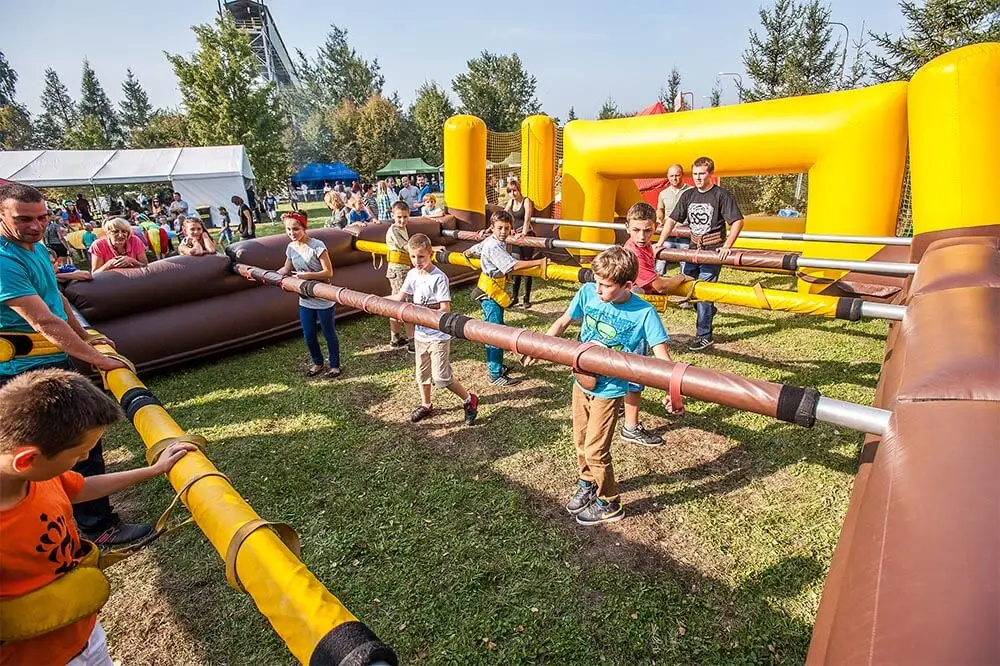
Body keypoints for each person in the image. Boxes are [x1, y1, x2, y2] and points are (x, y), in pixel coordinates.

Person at [0, 368, 194, 666]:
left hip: (84, 631)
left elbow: (79, 488)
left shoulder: (40, 477)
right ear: (27, 459)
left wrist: (155, 470)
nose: (82, 462)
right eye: (78, 455)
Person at [0, 182, 153, 547]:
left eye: (42, 217)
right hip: (22, 370)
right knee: (65, 446)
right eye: (24, 219)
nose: (36, 226)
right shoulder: (3, 260)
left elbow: (56, 300)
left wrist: (85, 338)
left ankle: (78, 520)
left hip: (51, 359)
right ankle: (97, 526)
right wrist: (99, 359)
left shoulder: (35, 247)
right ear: (2, 215)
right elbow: (42, 320)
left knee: (79, 444)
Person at [525, 246, 682, 525]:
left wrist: (673, 391)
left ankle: (609, 502)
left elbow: (662, 358)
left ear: (628, 285)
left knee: (596, 449)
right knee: (580, 442)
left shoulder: (644, 313)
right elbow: (563, 321)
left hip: (610, 391)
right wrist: (540, 347)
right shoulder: (588, 292)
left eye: (606, 285)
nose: (597, 290)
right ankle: (587, 483)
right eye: (596, 282)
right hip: (581, 380)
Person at [386, 233, 479, 425]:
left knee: (442, 377)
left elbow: (445, 309)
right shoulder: (412, 275)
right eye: (413, 257)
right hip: (421, 335)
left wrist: (420, 311)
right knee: (422, 373)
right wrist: (373, 300)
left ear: (430, 254)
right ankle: (426, 404)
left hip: (438, 335)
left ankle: (469, 399)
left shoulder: (439, 278)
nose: (417, 261)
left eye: (421, 256)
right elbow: (400, 297)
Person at [655, 156, 744, 351]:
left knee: (703, 290)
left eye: (702, 174)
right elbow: (671, 219)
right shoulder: (688, 196)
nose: (698, 178)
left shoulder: (721, 195)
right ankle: (709, 311)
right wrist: (659, 243)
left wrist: (727, 245)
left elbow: (737, 221)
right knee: (688, 288)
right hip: (692, 249)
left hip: (712, 251)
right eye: (695, 174)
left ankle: (704, 336)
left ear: (711, 174)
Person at [463, 210, 548, 385]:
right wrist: (539, 262)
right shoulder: (493, 246)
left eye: (507, 228)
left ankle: (497, 366)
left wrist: (469, 254)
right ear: (492, 228)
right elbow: (512, 266)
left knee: (496, 328)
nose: (503, 231)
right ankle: (495, 375)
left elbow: (472, 250)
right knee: (495, 332)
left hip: (493, 288)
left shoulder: (491, 241)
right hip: (490, 291)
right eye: (500, 228)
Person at [276, 211, 342, 379]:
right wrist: (273, 275)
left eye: (296, 229)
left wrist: (306, 275)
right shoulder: (291, 247)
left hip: (323, 298)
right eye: (288, 229)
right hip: (305, 299)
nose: (292, 233)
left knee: (328, 333)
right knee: (308, 333)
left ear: (304, 227)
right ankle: (318, 362)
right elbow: (286, 268)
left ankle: (334, 365)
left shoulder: (317, 245)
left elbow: (328, 273)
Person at [385, 201, 414, 349]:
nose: (402, 220)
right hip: (398, 271)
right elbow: (408, 247)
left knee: (397, 303)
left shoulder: (403, 228)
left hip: (403, 268)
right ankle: (412, 341)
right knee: (405, 304)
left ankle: (395, 339)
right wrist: (430, 249)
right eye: (399, 217)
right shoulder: (395, 230)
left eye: (405, 217)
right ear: (392, 215)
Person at [504, 176, 536, 309]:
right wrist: (508, 229)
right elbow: (503, 215)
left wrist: (523, 234)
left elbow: (527, 218)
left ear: (519, 190)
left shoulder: (526, 201)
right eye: (510, 191)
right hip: (515, 238)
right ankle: (514, 296)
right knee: (516, 265)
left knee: (527, 266)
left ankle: (527, 297)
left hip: (526, 236)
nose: (513, 193)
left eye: (515, 190)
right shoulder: (511, 202)